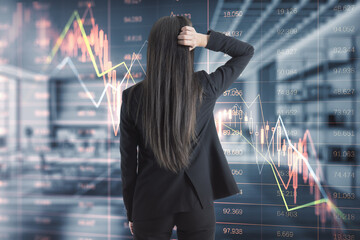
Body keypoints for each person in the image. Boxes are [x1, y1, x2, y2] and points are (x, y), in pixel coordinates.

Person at [120, 15, 254, 240]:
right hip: (196, 200)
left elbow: (127, 162)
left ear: (153, 50)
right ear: (187, 49)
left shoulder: (132, 96)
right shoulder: (204, 87)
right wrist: (204, 40)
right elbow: (245, 51)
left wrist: (131, 210)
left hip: (149, 201)